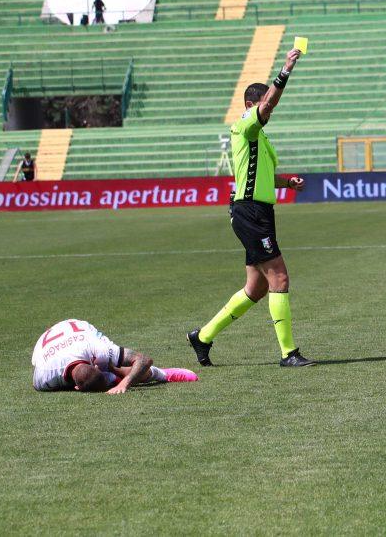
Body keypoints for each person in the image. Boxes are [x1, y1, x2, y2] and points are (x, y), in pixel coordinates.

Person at [187, 47, 313, 368]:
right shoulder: (245, 123)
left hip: (257, 211)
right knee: (280, 279)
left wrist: (288, 183)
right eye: (262, 106)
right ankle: (289, 353)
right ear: (249, 106)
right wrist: (285, 70)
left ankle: (202, 337)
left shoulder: (260, 138)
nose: (266, 111)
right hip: (250, 212)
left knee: (255, 288)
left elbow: (263, 176)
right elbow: (268, 103)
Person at [33, 318, 197, 393]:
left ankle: (161, 373)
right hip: (46, 344)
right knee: (105, 377)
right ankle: (111, 377)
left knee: (116, 367)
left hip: (80, 330)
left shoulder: (99, 350)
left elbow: (144, 359)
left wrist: (124, 384)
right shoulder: (43, 376)